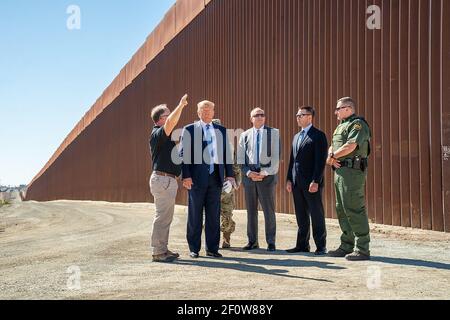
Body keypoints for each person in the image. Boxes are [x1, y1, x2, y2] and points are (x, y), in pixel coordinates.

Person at [180, 101, 235, 259]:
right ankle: (194, 248)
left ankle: (212, 248)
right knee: (195, 215)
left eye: (209, 109)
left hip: (215, 178)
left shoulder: (221, 130)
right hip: (195, 179)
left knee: (213, 215)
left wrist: (230, 176)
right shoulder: (189, 129)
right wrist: (186, 176)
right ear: (198, 112)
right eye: (203, 110)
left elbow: (226, 155)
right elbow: (183, 154)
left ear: (213, 112)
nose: (206, 112)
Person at [326, 97, 372, 261]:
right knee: (342, 208)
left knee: (354, 207)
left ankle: (362, 248)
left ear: (348, 108)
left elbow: (350, 146)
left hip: (352, 172)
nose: (335, 112)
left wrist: (332, 156)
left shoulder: (358, 125)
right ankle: (346, 245)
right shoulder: (341, 126)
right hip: (340, 171)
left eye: (338, 109)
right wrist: (331, 155)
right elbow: (333, 145)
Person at [149, 94, 189, 263]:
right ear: (159, 119)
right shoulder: (158, 133)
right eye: (167, 114)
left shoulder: (166, 139)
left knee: (166, 217)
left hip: (167, 180)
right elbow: (172, 122)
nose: (171, 116)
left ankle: (162, 249)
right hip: (163, 180)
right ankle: (158, 252)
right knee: (162, 217)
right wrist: (180, 106)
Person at [286, 106, 328, 255]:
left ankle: (321, 246)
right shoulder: (296, 137)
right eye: (297, 115)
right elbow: (292, 161)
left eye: (301, 115)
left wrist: (316, 180)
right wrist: (289, 179)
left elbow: (320, 161)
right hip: (297, 184)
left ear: (309, 117)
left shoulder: (318, 136)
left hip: (312, 184)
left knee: (316, 215)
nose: (297, 117)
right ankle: (302, 245)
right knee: (301, 215)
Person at [238, 108, 281, 252]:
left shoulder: (273, 133)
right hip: (250, 179)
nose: (260, 117)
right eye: (257, 115)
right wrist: (249, 173)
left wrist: (265, 172)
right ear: (251, 118)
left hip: (267, 178)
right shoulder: (244, 135)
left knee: (269, 211)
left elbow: (276, 157)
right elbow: (240, 159)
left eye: (263, 114)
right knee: (251, 211)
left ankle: (271, 242)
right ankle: (252, 241)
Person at [212, 119, 242, 249]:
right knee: (209, 214)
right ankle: (212, 240)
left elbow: (235, 166)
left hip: (225, 185)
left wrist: (235, 182)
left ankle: (226, 238)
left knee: (227, 213)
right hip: (210, 186)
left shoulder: (228, 146)